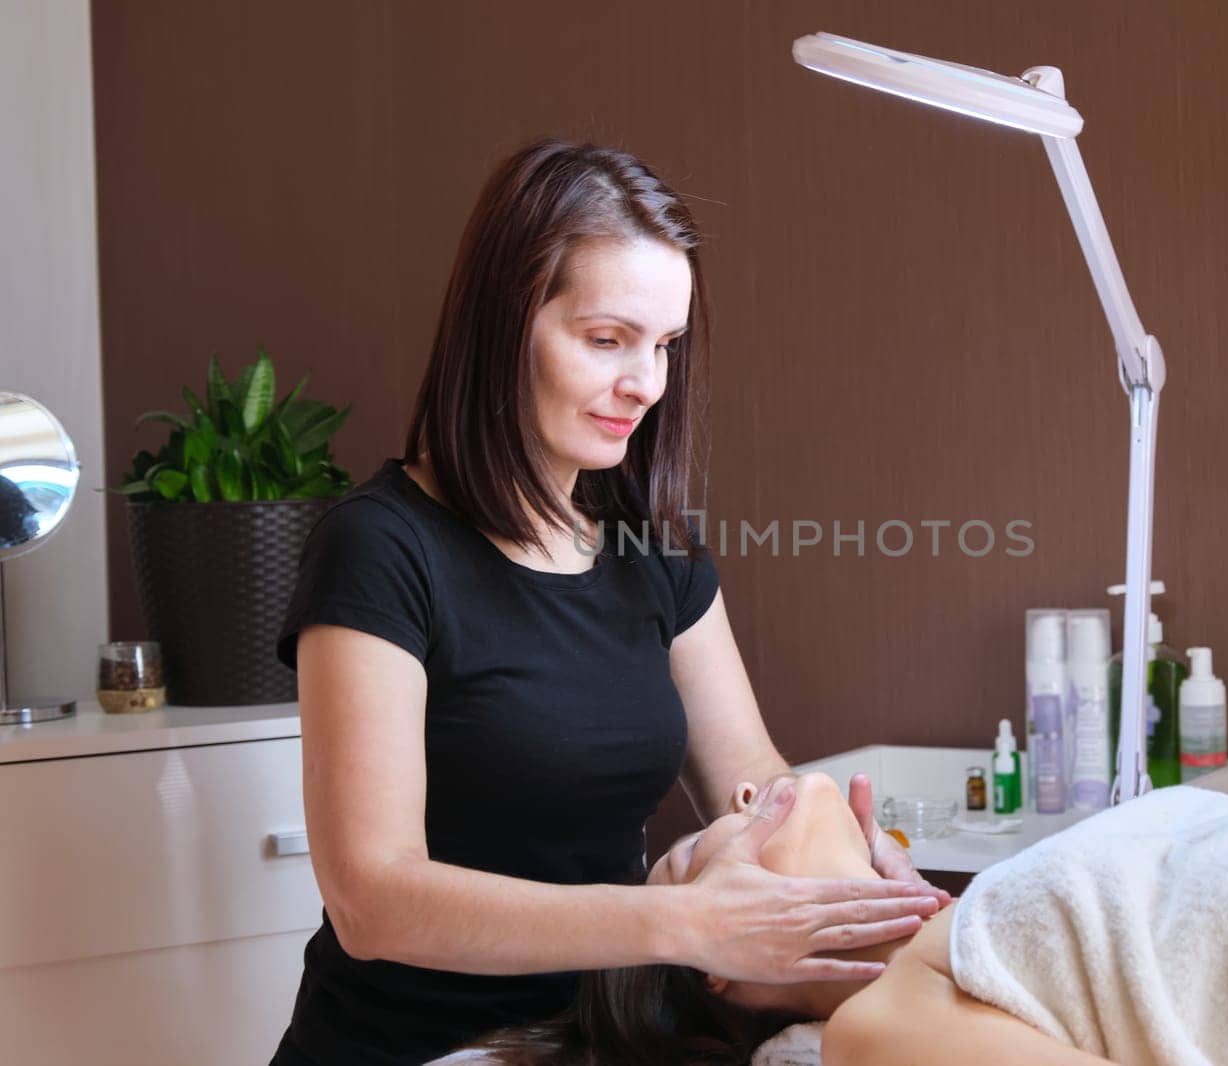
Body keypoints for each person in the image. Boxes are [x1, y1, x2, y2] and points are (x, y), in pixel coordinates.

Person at [268, 140, 949, 1066]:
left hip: (596, 1037)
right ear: (506, 327)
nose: (647, 384)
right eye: (606, 339)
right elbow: (373, 902)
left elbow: (752, 779)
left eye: (665, 345)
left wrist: (855, 878)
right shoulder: (381, 549)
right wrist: (676, 923)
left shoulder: (651, 548)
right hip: (415, 1045)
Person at [466, 772, 1228, 1066]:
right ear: (720, 963)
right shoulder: (883, 1024)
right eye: (698, 847)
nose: (745, 795)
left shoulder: (976, 917)